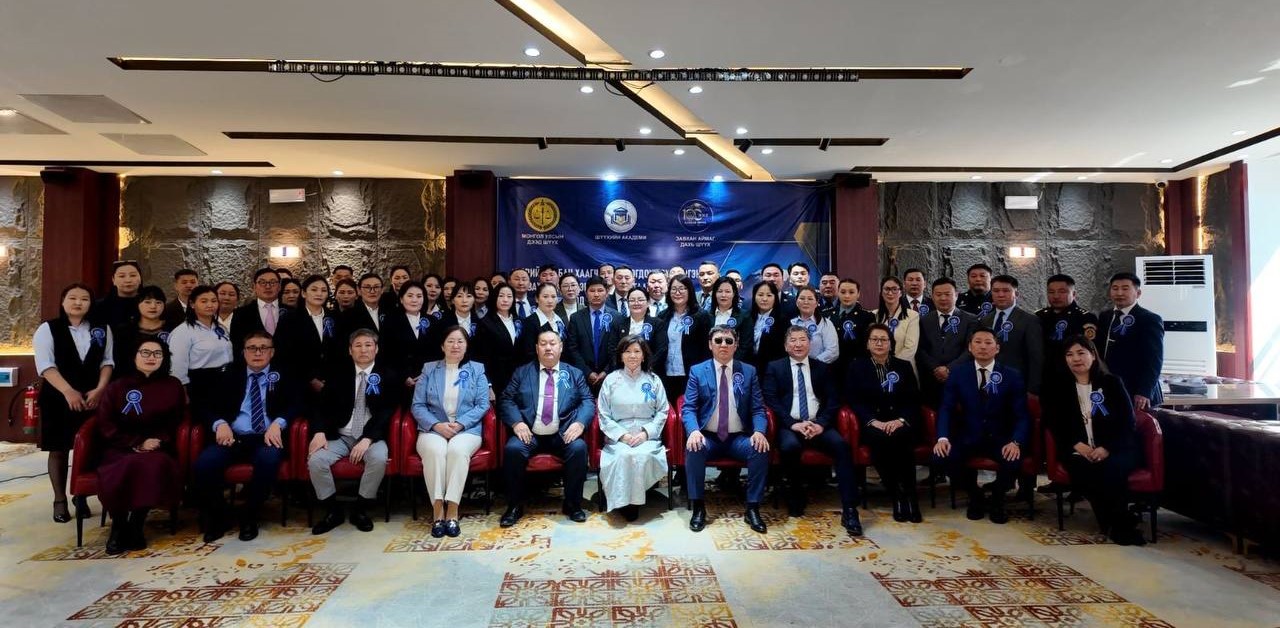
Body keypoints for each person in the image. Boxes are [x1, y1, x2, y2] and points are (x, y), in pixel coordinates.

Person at [193, 330, 300, 542]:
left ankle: (250, 515)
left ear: (272, 352)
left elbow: (298, 403)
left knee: (269, 459)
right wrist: (219, 423)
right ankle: (219, 515)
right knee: (205, 464)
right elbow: (203, 405)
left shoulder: (285, 374)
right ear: (243, 352)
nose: (257, 353)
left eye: (263, 348)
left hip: (266, 438)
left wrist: (279, 423)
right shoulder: (228, 374)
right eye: (252, 348)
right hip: (233, 438)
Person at [1045, 336, 1145, 545]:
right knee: (1085, 469)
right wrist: (1077, 444)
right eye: (1069, 355)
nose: (1076, 359)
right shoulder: (1058, 386)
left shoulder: (1112, 383)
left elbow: (1127, 422)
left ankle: (1113, 522)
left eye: (1081, 353)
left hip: (1116, 448)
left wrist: (1107, 447)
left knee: (1110, 468)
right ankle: (1120, 521)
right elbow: (1055, 422)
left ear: (1092, 355)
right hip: (1077, 449)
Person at [764, 326, 861, 534]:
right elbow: (771, 400)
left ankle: (850, 508)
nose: (798, 344)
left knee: (842, 447)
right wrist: (792, 423)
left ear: (810, 344)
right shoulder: (775, 367)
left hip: (817, 425)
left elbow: (833, 400)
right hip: (790, 425)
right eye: (793, 340)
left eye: (802, 340)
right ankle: (795, 495)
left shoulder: (822, 368)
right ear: (786, 346)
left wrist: (820, 424)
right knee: (789, 446)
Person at [92, 338, 185, 553]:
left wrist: (156, 441)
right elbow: (105, 422)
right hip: (120, 446)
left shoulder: (172, 385)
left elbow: (177, 421)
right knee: (123, 466)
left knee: (150, 465)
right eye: (145, 352)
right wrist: (135, 443)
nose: (151, 358)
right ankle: (118, 526)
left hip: (157, 446)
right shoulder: (117, 386)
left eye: (157, 354)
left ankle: (136, 524)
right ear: (134, 356)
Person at [497, 330, 595, 526]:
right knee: (513, 449)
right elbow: (506, 399)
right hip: (530, 433)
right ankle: (514, 506)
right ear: (536, 348)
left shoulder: (574, 373)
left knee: (578, 448)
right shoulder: (522, 372)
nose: (548, 348)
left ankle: (573, 505)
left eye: (552, 343)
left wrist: (579, 423)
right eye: (543, 344)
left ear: (561, 347)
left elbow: (588, 401)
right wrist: (517, 423)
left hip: (562, 433)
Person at [933, 329, 1031, 524]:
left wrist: (1015, 441)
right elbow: (946, 408)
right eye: (977, 342)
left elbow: (1022, 414)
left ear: (997, 348)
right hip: (969, 435)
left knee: (1013, 460)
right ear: (970, 347)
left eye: (988, 342)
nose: (983, 346)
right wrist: (942, 438)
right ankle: (974, 495)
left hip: (1001, 437)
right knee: (941, 457)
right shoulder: (959, 373)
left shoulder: (1012, 375)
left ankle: (997, 498)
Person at [35, 283, 115, 523]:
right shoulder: (48, 329)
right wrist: (68, 391)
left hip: (92, 397)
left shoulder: (102, 329)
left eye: (84, 299)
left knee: (90, 447)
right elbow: (46, 365)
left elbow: (107, 361)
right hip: (58, 397)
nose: (78, 303)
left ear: (91, 303)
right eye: (72, 298)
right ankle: (59, 499)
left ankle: (81, 496)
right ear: (63, 302)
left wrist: (100, 389)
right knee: (58, 449)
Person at [306, 329, 396, 535]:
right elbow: (319, 406)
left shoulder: (388, 375)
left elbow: (387, 412)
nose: (363, 350)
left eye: (368, 345)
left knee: (379, 459)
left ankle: (360, 509)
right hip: (341, 435)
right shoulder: (338, 374)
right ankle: (332, 510)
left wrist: (368, 438)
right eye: (358, 345)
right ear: (350, 350)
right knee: (316, 460)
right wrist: (319, 432)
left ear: (376, 349)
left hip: (371, 438)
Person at [682, 325, 770, 534]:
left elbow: (758, 408)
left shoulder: (748, 371)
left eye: (729, 341)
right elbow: (688, 407)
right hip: (709, 437)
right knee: (694, 448)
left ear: (736, 345)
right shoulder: (698, 371)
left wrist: (759, 431)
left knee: (760, 449)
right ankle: (698, 507)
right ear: (710, 344)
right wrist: (693, 431)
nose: (723, 345)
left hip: (738, 438)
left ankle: (752, 508)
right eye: (718, 340)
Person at [411, 326, 490, 537]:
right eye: (450, 341)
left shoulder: (477, 370)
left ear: (466, 346)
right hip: (433, 428)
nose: (455, 346)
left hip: (466, 429)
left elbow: (483, 404)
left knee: (457, 450)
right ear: (442, 346)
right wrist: (437, 425)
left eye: (460, 341)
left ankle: (453, 510)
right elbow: (417, 405)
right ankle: (438, 511)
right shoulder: (429, 369)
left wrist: (461, 424)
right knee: (434, 452)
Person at [846, 324, 923, 523]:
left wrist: (900, 420)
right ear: (867, 344)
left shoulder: (903, 366)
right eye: (875, 339)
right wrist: (873, 421)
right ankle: (897, 494)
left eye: (884, 340)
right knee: (881, 440)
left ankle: (911, 497)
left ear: (891, 344)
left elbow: (913, 400)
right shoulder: (857, 366)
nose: (879, 343)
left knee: (903, 440)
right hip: (873, 424)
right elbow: (854, 400)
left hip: (899, 422)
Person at [596, 336, 670, 521]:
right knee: (624, 455)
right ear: (621, 356)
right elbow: (603, 414)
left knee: (640, 454)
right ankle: (623, 501)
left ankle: (634, 502)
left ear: (644, 356)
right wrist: (623, 436)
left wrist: (646, 433)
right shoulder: (611, 380)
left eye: (637, 351)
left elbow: (663, 411)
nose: (632, 356)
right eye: (627, 351)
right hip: (619, 436)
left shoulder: (654, 380)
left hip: (647, 436)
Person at [275, 275, 341, 416]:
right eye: (314, 290)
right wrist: (311, 379)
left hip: (330, 383)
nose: (319, 294)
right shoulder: (289, 319)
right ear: (304, 293)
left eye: (323, 290)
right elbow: (285, 353)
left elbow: (340, 350)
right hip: (300, 383)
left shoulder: (335, 317)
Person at [1097, 272, 1164, 410]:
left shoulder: (1149, 319)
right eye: (1115, 288)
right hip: (1111, 387)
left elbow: (1154, 359)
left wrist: (1144, 391)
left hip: (1137, 392)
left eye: (1125, 288)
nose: (1119, 293)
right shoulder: (1105, 316)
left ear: (1138, 293)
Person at [916, 278, 980, 407]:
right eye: (938, 294)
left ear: (956, 295)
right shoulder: (924, 320)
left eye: (947, 294)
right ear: (932, 297)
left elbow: (970, 349)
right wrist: (935, 368)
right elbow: (920, 349)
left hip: (960, 378)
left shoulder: (971, 319)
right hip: (931, 380)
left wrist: (949, 369)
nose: (943, 298)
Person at [979, 275, 1044, 395]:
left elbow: (1036, 357)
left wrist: (1033, 389)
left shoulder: (1029, 320)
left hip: (1018, 384)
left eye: (1006, 291)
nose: (1000, 295)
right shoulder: (985, 320)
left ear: (1016, 294)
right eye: (996, 291)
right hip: (988, 382)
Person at [652, 275, 713, 403]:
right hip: (666, 374)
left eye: (682, 288)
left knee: (689, 409)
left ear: (689, 291)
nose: (677, 292)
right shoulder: (663, 316)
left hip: (692, 374)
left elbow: (706, 349)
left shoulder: (701, 316)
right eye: (674, 289)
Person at [380, 281, 440, 406]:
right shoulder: (390, 321)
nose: (414, 300)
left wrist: (425, 374)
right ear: (401, 299)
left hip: (427, 380)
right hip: (399, 382)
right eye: (410, 296)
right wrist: (403, 376)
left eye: (419, 296)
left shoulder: (433, 321)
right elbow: (386, 353)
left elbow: (437, 353)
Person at [168, 285, 234, 394]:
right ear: (192, 304)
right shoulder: (183, 332)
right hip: (200, 384)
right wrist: (183, 392)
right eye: (204, 301)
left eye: (214, 301)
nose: (210, 305)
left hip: (227, 380)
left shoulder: (221, 328)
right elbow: (177, 366)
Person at [1036, 274, 1100, 381]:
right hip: (1044, 375)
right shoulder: (1039, 316)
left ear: (1073, 294)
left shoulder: (1085, 318)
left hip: (1074, 375)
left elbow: (1090, 351)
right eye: (1051, 292)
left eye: (1062, 292)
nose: (1056, 296)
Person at [564, 277, 616, 391]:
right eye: (592, 291)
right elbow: (572, 348)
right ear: (586, 294)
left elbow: (618, 349)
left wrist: (606, 371)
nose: (596, 294)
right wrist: (587, 372)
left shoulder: (617, 317)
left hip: (610, 377)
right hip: (582, 377)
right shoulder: (576, 318)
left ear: (607, 293)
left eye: (600, 290)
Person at [473, 283, 521, 400]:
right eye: (501, 296)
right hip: (497, 378)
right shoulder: (485, 323)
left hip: (518, 379)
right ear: (495, 298)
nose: (505, 300)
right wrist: (488, 384)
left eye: (509, 296)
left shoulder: (518, 321)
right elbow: (481, 357)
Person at [111, 285, 170, 379]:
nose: (153, 306)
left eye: (158, 302)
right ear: (138, 304)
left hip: (165, 379)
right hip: (130, 380)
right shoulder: (124, 331)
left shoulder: (172, 328)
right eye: (147, 302)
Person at [606, 287, 662, 369]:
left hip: (649, 370)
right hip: (623, 370)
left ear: (648, 303)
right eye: (632, 300)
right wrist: (622, 367)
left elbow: (660, 350)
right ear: (628, 303)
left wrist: (647, 367)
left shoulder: (657, 324)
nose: (636, 303)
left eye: (640, 300)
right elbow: (612, 349)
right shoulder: (618, 324)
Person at [874, 277, 920, 373]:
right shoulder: (873, 315)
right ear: (881, 292)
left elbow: (910, 348)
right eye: (887, 289)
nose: (890, 293)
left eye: (894, 289)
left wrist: (891, 366)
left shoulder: (912, 316)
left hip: (903, 368)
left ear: (901, 292)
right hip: (878, 369)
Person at [230, 268, 282, 353]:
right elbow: (237, 344)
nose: (268, 286)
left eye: (272, 282)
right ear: (254, 287)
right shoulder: (241, 313)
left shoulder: (291, 312)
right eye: (262, 282)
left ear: (279, 287)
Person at [830, 279, 876, 373]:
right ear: (838, 293)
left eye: (851, 292)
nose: (847, 296)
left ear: (858, 294)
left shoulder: (867, 317)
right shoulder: (827, 315)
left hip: (857, 367)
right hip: (831, 367)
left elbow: (869, 345)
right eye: (843, 292)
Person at [740, 281, 787, 370]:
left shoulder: (782, 319)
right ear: (754, 297)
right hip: (748, 365)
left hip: (772, 367)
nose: (764, 299)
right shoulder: (747, 316)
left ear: (775, 297)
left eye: (769, 295)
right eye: (760, 295)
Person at [517, 283, 569, 362]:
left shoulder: (559, 320)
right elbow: (529, 354)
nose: (550, 301)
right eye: (545, 296)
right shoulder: (529, 322)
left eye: (553, 297)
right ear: (537, 299)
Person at [790, 286, 839, 364]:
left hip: (818, 367)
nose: (806, 302)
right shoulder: (789, 322)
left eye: (810, 299)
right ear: (796, 302)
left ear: (816, 303)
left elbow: (833, 351)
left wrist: (812, 364)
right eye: (802, 298)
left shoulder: (825, 323)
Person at [96, 261, 143, 329]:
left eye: (133, 275)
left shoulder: (151, 305)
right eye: (122, 276)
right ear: (113, 280)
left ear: (140, 278)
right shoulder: (100, 307)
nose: (128, 280)